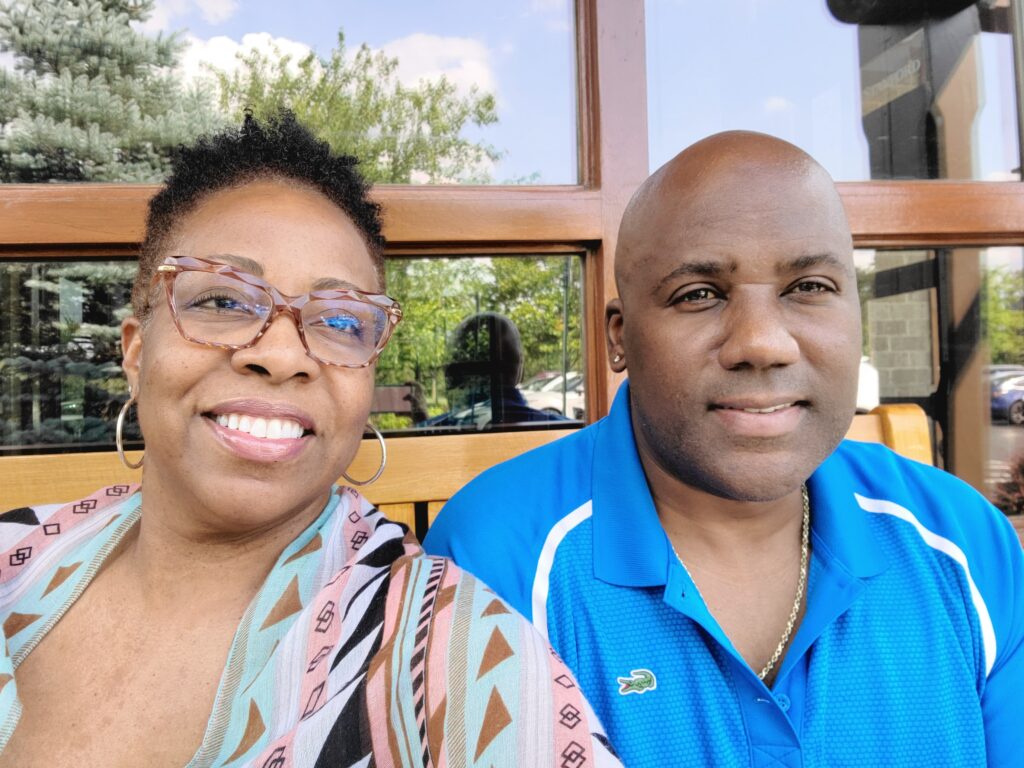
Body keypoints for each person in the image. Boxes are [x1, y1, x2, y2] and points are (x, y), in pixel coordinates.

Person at [0, 112, 620, 767]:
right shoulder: (16, 553)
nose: (280, 355)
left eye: (341, 321)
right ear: (135, 352)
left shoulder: (464, 659)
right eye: (222, 301)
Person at [426, 131, 1024, 767]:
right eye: (699, 295)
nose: (762, 343)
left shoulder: (961, 541)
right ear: (620, 339)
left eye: (809, 286)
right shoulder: (498, 561)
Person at [410, 312, 570, 428]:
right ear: (519, 369)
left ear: (455, 373)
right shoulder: (564, 432)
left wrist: (423, 422)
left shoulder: (429, 431)